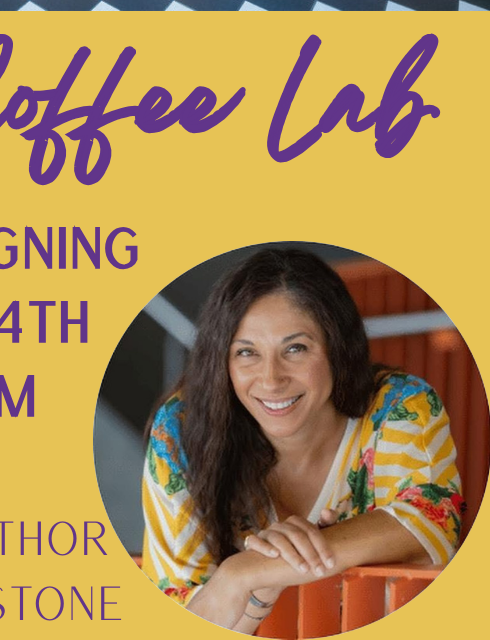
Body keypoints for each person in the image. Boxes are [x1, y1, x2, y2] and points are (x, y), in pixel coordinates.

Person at [142, 248, 462, 633]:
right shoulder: (178, 433)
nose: (270, 379)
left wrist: (249, 569)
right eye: (246, 352)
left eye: (295, 348)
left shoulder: (397, 406)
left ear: (336, 347)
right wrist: (259, 584)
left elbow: (430, 521)